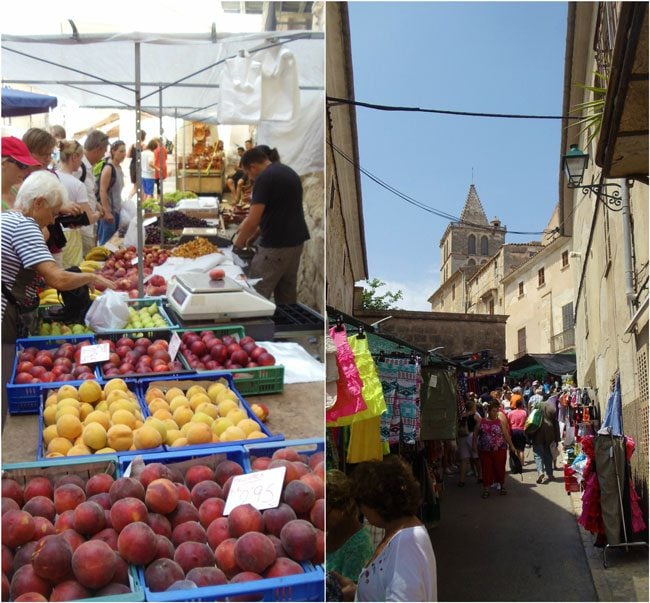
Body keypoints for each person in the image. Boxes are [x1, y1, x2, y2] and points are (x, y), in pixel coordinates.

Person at [1, 170, 115, 421]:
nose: (53, 220)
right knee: (4, 384)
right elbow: (58, 279)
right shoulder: (25, 226)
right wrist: (91, 278)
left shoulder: (8, 218)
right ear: (38, 202)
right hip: (4, 316)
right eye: (52, 213)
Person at [332, 455, 437, 602]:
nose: (362, 511)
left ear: (376, 504)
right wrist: (357, 593)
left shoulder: (406, 545)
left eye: (362, 503)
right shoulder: (399, 534)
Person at [233, 147, 310, 304]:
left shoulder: (264, 178)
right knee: (286, 292)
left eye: (248, 173)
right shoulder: (288, 172)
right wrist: (254, 235)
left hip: (276, 247)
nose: (250, 177)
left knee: (255, 293)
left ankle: (255, 326)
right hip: (295, 243)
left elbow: (253, 219)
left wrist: (237, 244)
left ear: (253, 167)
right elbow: (278, 210)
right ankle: (287, 325)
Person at [326, 470, 374, 592]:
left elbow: (351, 594)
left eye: (325, 511)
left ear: (343, 508)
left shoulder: (359, 546)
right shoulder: (330, 530)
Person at [55, 139, 101, 267]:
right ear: (74, 157)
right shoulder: (78, 185)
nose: (81, 162)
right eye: (80, 158)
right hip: (70, 235)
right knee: (73, 271)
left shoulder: (52, 177)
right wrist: (97, 214)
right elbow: (89, 218)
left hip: (54, 234)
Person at [74, 129, 109, 253]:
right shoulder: (78, 168)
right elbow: (72, 196)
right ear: (97, 149)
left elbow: (86, 194)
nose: (103, 156)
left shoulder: (87, 167)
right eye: (104, 151)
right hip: (82, 229)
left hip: (89, 226)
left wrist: (97, 205)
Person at [474, 399, 517, 498]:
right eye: (493, 410)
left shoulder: (499, 422)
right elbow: (475, 434)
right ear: (488, 411)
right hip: (485, 451)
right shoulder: (481, 422)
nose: (496, 413)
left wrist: (511, 445)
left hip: (500, 450)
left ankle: (502, 486)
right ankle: (486, 489)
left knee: (500, 468)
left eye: (497, 410)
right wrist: (474, 446)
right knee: (486, 469)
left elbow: (506, 435)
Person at [96, 140, 126, 245]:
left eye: (125, 151)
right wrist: (107, 212)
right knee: (106, 242)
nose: (124, 154)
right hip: (109, 213)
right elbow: (102, 190)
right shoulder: (109, 168)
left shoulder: (119, 168)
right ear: (113, 151)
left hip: (116, 211)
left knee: (114, 241)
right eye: (121, 151)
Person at [530, 387, 561, 483]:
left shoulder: (537, 405)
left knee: (538, 454)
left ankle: (540, 472)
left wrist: (529, 435)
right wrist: (557, 438)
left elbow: (531, 420)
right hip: (550, 434)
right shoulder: (552, 408)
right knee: (548, 454)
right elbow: (556, 424)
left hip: (538, 433)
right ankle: (550, 474)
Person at [1, 137, 41, 209]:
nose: (27, 171)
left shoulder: (18, 191)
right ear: (3, 163)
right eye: (22, 165)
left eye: (27, 166)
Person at [457, 399, 482, 486]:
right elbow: (480, 427)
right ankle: (480, 477)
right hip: (472, 437)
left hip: (462, 438)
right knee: (476, 458)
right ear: (472, 407)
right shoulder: (475, 416)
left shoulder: (462, 416)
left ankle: (462, 480)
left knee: (464, 460)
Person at [507, 397, 528, 467]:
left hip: (513, 431)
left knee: (514, 448)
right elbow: (526, 422)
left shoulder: (510, 413)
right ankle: (522, 464)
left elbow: (508, 423)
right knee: (521, 449)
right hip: (522, 431)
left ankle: (517, 464)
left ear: (515, 405)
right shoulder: (524, 412)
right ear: (521, 405)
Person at [127, 130, 146, 201]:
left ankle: (128, 199)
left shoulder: (132, 145)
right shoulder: (144, 146)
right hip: (140, 166)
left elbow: (128, 155)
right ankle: (143, 204)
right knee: (142, 186)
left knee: (135, 186)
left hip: (132, 166)